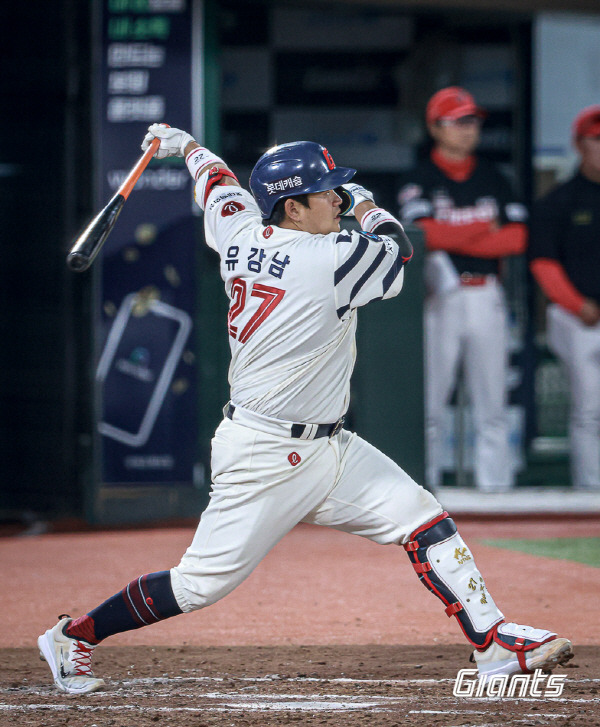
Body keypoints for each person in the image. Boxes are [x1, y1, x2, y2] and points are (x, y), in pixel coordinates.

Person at [38, 123, 571, 694]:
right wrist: (367, 202)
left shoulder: (239, 229)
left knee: (422, 517)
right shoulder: (328, 258)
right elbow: (398, 249)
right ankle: (76, 634)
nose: (338, 199)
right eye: (327, 193)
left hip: (328, 445)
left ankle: (490, 641)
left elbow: (217, 185)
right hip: (265, 453)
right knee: (197, 586)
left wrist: (188, 147)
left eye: (340, 191)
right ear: (292, 208)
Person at [398, 87, 528, 493]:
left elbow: (518, 239)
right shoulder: (418, 177)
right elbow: (424, 236)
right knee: (431, 401)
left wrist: (455, 236)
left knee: (492, 402)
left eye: (473, 121)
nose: (470, 129)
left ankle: (496, 489)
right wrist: (480, 229)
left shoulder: (494, 176)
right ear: (435, 126)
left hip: (486, 292)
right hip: (441, 296)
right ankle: (426, 488)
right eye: (460, 121)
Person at [529, 105, 600, 490]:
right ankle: (591, 495)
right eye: (597, 140)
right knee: (589, 410)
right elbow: (543, 263)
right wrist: (578, 305)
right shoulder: (559, 200)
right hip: (579, 318)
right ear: (579, 144)